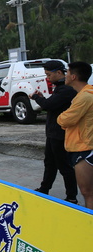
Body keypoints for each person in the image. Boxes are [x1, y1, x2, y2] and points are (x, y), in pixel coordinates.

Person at [29, 60, 78, 203]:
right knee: (49, 163)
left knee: (64, 166)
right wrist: (42, 98)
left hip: (60, 134)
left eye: (49, 75)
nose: (47, 78)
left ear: (59, 73)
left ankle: (71, 197)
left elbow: (48, 105)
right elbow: (52, 104)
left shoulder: (66, 90)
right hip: (52, 133)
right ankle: (44, 188)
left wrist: (36, 97)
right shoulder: (60, 88)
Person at [57, 61, 93, 209]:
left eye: (67, 72)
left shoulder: (85, 97)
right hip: (81, 147)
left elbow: (65, 120)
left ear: (73, 76)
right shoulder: (83, 95)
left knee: (87, 192)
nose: (65, 75)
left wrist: (61, 117)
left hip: (84, 149)